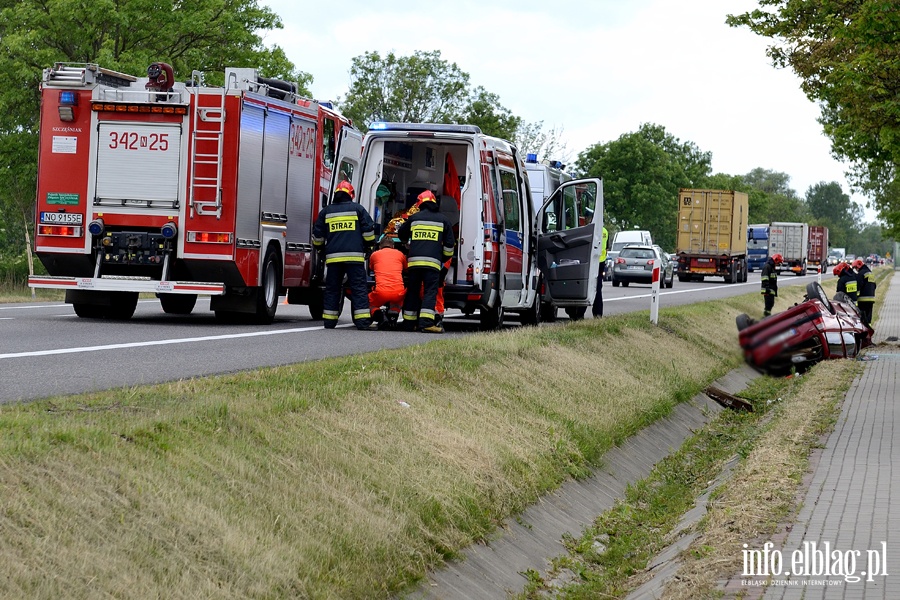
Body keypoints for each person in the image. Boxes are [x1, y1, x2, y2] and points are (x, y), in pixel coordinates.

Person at [311, 180, 378, 330]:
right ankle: (362, 323)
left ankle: (329, 322)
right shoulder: (358, 209)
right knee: (358, 288)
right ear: (351, 195)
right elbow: (369, 232)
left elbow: (318, 236)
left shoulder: (326, 212)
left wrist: (321, 250)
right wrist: (368, 248)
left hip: (334, 259)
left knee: (332, 289)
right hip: (354, 258)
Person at [397, 190, 455, 333]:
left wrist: (406, 243)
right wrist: (442, 259)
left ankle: (409, 324)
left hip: (414, 264)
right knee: (430, 292)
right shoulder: (443, 220)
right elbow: (449, 247)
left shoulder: (414, 218)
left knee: (413, 291)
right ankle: (426, 323)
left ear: (420, 203)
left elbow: (402, 235)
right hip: (433, 264)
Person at [368, 236, 407, 325]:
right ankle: (393, 317)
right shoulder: (400, 254)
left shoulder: (375, 255)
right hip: (398, 292)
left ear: (380, 246)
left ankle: (380, 316)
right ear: (393, 246)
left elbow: (371, 267)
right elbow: (406, 268)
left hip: (381, 292)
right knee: (397, 302)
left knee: (366, 303)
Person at [592, 226, 610, 318]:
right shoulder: (605, 231)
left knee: (588, 287)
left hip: (592, 262)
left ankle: (579, 314)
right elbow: (606, 248)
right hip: (601, 262)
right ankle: (598, 314)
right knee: (598, 288)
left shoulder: (591, 229)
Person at [853, 258, 876, 326]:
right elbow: (874, 285)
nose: (856, 270)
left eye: (855, 268)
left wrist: (855, 297)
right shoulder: (870, 273)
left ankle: (864, 332)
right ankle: (869, 330)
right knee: (868, 318)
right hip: (871, 299)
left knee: (862, 318)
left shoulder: (861, 274)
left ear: (859, 266)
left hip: (862, 300)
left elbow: (858, 286)